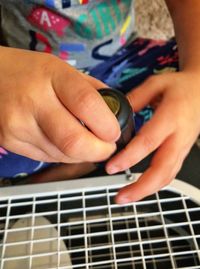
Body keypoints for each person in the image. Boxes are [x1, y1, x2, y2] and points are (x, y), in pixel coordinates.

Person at [0, 0, 200, 203]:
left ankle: (85, 161)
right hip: (26, 69)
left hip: (124, 55)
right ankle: (85, 161)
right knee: (11, 142)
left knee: (178, 94)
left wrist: (195, 76)